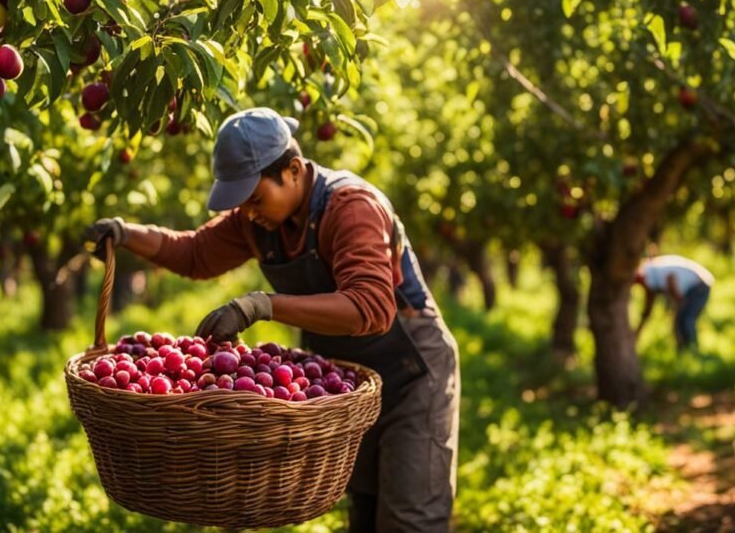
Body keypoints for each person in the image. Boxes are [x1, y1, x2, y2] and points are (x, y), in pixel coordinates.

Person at [85, 107, 460, 532]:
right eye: (241, 202)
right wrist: (126, 233)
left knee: (410, 518)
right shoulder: (258, 221)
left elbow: (370, 306)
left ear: (294, 169)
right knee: (367, 512)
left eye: (256, 198)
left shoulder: (351, 207)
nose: (248, 211)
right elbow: (194, 253)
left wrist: (262, 305)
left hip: (411, 373)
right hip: (351, 383)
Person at [634, 254, 714, 350]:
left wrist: (678, 307)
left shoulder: (652, 275)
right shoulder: (651, 272)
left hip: (699, 284)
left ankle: (691, 349)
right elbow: (648, 309)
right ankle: (685, 350)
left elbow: (672, 281)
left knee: (685, 319)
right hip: (696, 282)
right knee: (682, 319)